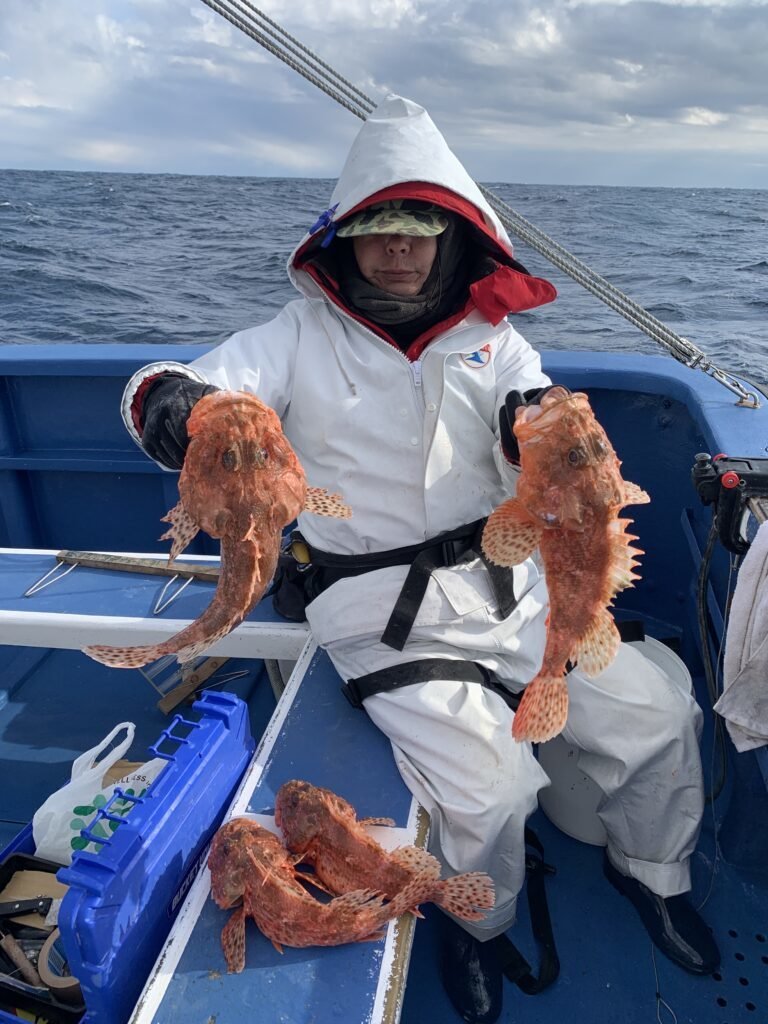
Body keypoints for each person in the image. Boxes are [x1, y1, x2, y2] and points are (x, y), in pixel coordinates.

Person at [121, 95, 719, 1023]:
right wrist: (172, 404)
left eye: (419, 227)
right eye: (378, 229)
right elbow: (178, 381)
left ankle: (654, 871)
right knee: (489, 792)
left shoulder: (495, 339)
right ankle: (482, 927)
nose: (398, 248)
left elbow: (534, 407)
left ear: (451, 235)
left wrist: (532, 429)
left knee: (660, 716)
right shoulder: (295, 336)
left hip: (524, 593)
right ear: (346, 240)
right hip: (382, 612)